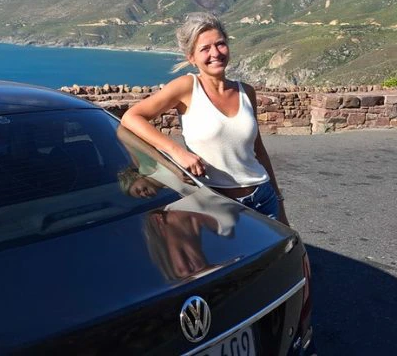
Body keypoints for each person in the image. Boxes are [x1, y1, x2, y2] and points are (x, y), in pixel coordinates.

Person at [120, 12, 289, 225]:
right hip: (218, 202)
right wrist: (177, 152)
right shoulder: (187, 87)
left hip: (264, 197)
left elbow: (259, 151)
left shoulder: (246, 91)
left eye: (220, 44)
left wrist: (278, 199)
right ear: (191, 57)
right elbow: (132, 117)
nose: (215, 53)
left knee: (278, 257)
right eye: (205, 48)